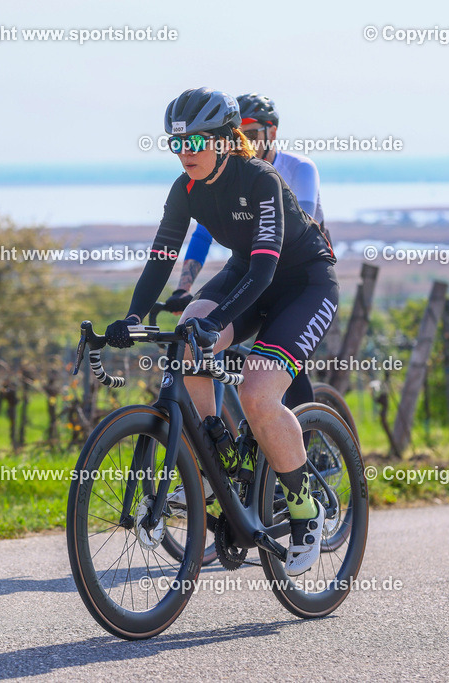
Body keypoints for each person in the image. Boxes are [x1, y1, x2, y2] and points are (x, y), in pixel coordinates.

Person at [105, 88, 339, 576]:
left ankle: (304, 512)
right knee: (187, 334)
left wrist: (216, 322)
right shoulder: (184, 189)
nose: (185, 152)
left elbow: (265, 272)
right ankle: (215, 442)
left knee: (256, 390)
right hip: (247, 275)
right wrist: (132, 317)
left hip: (302, 284)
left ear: (225, 141)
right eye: (177, 144)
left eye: (195, 142)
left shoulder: (260, 179)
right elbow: (161, 258)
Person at [163, 93, 329, 411]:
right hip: (254, 265)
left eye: (254, 134)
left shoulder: (297, 168)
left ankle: (309, 449)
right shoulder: (224, 175)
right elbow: (202, 234)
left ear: (273, 134)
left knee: (280, 364)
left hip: (296, 269)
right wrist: (184, 288)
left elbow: (307, 219)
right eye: (244, 134)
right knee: (204, 332)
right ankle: (214, 432)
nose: (247, 141)